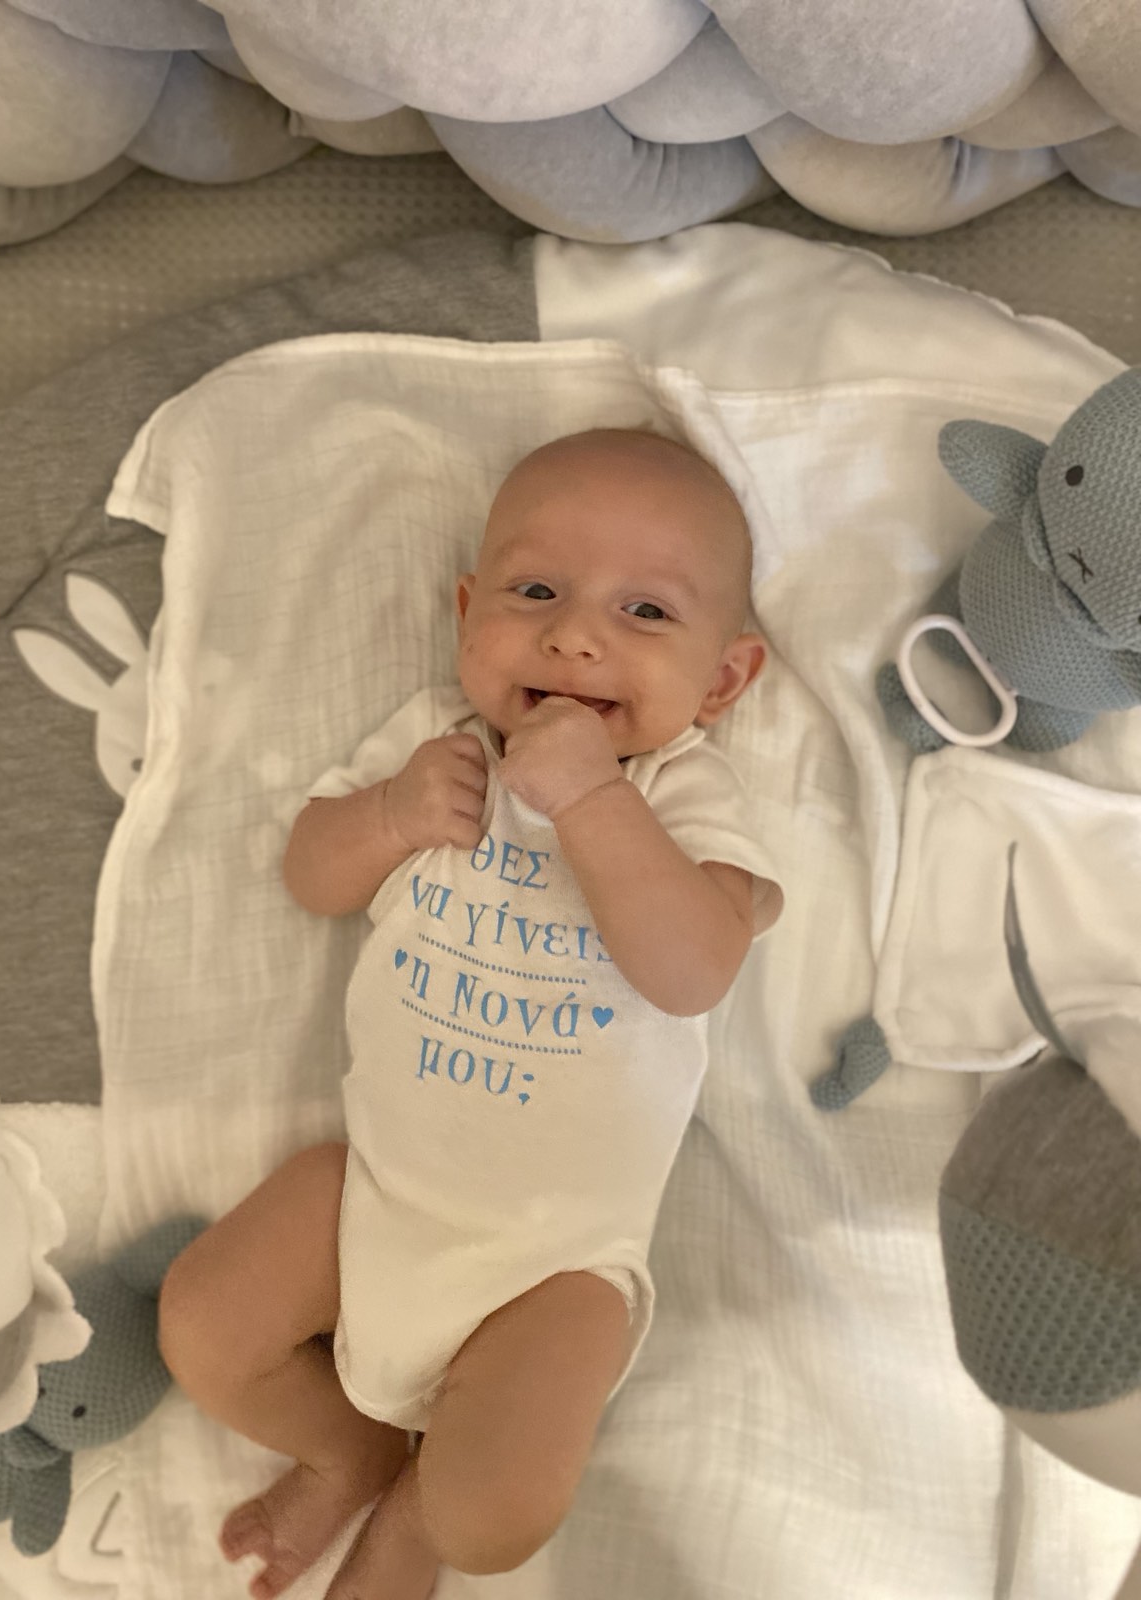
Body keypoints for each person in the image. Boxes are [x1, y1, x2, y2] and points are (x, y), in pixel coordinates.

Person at [158, 426, 783, 1600]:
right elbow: (311, 875)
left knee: (492, 1516)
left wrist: (593, 799)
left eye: (646, 612)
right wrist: (389, 816)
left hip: (557, 1268)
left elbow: (693, 969)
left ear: (722, 681)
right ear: (464, 612)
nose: (577, 635)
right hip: (375, 1193)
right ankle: (348, 1450)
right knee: (200, 1323)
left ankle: (417, 1513)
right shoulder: (437, 745)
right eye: (535, 591)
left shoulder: (682, 794)